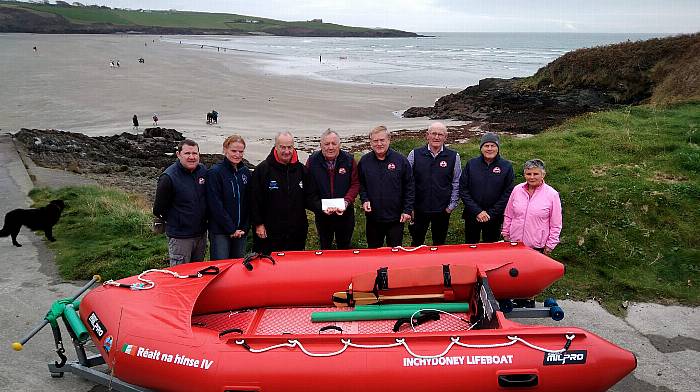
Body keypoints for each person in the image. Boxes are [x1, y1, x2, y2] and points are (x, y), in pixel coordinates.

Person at [250, 131, 319, 254]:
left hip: (296, 232)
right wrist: (258, 224)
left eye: (289, 147)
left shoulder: (302, 170)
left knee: (294, 268)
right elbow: (254, 200)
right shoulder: (262, 170)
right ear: (275, 147)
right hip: (269, 232)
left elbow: (310, 198)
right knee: (269, 268)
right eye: (282, 147)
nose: (286, 151)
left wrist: (326, 208)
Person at [153, 139, 208, 266]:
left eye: (195, 153)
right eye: (187, 153)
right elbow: (158, 210)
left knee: (198, 272)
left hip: (201, 234)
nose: (192, 157)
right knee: (180, 275)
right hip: (180, 237)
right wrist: (179, 220)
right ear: (178, 154)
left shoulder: (203, 171)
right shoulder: (168, 177)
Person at [358, 126, 414, 248]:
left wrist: (407, 210)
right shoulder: (364, 161)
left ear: (389, 140)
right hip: (373, 218)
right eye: (375, 141)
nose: (379, 144)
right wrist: (365, 199)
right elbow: (361, 185)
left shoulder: (401, 160)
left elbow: (409, 187)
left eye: (382, 140)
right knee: (373, 251)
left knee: (394, 253)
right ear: (370, 142)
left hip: (396, 219)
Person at [407, 122, 461, 246]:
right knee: (416, 242)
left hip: (442, 209)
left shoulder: (454, 156)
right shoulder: (414, 154)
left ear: (445, 137)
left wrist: (451, 206)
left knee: (439, 243)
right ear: (427, 135)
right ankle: (417, 265)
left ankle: (438, 265)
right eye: (433, 134)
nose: (436, 137)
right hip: (419, 209)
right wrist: (409, 206)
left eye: (440, 134)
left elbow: (456, 181)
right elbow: (407, 182)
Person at [306, 129, 360, 250]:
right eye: (326, 144)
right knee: (325, 247)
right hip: (322, 215)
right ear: (320, 145)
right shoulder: (312, 161)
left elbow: (355, 184)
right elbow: (309, 189)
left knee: (345, 247)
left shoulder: (349, 160)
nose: (330, 147)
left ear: (339, 145)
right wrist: (319, 207)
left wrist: (346, 201)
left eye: (334, 143)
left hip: (345, 213)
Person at [459, 132, 514, 243]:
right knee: (471, 246)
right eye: (486, 146)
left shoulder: (506, 166)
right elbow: (463, 189)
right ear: (481, 148)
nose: (489, 149)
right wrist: (477, 211)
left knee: (491, 248)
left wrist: (491, 213)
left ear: (497, 148)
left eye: (493, 146)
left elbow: (508, 193)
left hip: (494, 217)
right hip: (472, 215)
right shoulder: (471, 164)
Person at [502, 159, 562, 255]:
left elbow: (556, 224)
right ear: (524, 175)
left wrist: (550, 244)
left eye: (536, 174)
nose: (532, 177)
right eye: (529, 174)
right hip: (514, 243)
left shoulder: (552, 194)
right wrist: (505, 234)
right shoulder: (517, 190)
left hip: (537, 247)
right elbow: (509, 214)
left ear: (543, 175)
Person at [206, 135, 251, 259]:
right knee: (220, 267)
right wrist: (231, 229)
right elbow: (215, 204)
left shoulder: (245, 172)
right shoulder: (215, 172)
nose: (237, 154)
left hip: (241, 231)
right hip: (220, 231)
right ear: (225, 149)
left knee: (237, 268)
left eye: (240, 151)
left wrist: (244, 227)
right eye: (233, 151)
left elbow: (248, 202)